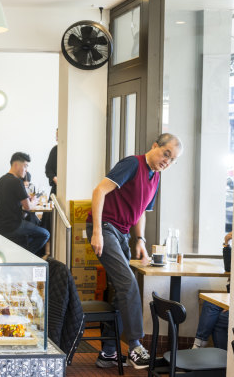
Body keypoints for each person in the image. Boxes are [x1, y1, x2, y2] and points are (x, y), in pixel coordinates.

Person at [87, 133, 183, 370]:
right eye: (166, 154)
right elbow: (99, 191)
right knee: (128, 283)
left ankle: (108, 353)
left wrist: (139, 239)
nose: (166, 161)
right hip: (106, 227)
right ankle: (136, 346)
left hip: (123, 232)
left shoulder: (156, 177)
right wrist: (97, 231)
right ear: (154, 146)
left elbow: (141, 211)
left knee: (123, 289)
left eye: (172, 160)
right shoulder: (133, 163)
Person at [0, 152, 50, 255]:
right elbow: (28, 207)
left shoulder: (0, 181)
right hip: (14, 225)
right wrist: (34, 201)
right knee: (45, 234)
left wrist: (24, 200)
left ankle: (22, 254)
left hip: (0, 226)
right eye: (25, 166)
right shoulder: (17, 182)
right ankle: (25, 256)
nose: (26, 169)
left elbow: (8, 201)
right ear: (16, 165)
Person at [192, 232, 232, 350]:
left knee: (220, 319)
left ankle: (223, 359)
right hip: (233, 297)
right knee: (210, 303)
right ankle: (198, 346)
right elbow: (229, 267)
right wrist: (226, 244)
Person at [45, 128, 58, 196]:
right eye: (56, 136)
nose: (56, 139)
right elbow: (48, 169)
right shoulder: (54, 150)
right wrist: (54, 178)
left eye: (58, 136)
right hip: (56, 187)